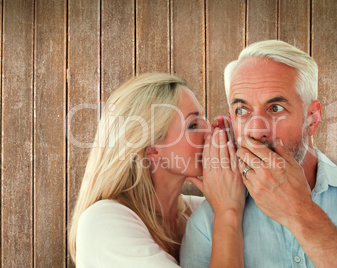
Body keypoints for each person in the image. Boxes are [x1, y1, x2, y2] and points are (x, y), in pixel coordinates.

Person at [180, 40, 337, 267]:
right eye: (242, 110)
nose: (257, 130)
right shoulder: (207, 224)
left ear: (312, 118)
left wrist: (299, 211)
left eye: (275, 108)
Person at [68, 73, 245, 267]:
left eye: (203, 119)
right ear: (151, 149)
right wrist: (227, 212)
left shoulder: (201, 211)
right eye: (193, 125)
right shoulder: (102, 222)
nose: (212, 131)